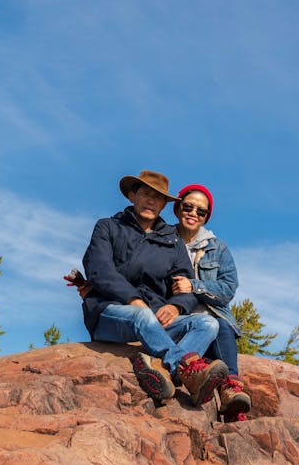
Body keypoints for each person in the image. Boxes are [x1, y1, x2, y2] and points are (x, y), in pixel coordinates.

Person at [79, 170, 229, 406]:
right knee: (141, 314)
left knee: (208, 323)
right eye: (146, 194)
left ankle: (159, 368)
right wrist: (132, 299)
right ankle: (186, 368)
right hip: (109, 313)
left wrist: (177, 307)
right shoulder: (108, 227)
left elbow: (186, 286)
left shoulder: (172, 240)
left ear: (163, 205)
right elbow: (99, 270)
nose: (151, 200)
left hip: (154, 319)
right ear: (132, 196)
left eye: (158, 197)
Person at [171, 184, 251, 422]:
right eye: (188, 206)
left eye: (201, 211)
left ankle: (230, 392)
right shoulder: (163, 240)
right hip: (179, 317)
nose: (193, 213)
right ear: (177, 208)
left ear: (206, 217)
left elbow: (228, 289)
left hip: (212, 316)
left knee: (221, 325)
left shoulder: (218, 248)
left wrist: (194, 286)